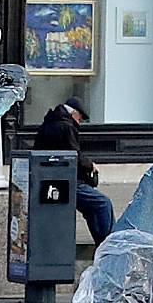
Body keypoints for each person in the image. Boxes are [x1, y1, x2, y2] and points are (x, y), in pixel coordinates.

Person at [32, 95, 115, 246]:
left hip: (50, 178)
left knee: (92, 208)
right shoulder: (66, 126)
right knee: (103, 203)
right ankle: (109, 245)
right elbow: (73, 155)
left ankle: (103, 243)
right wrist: (90, 166)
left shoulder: (49, 123)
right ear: (74, 113)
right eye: (80, 118)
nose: (80, 122)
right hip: (65, 182)